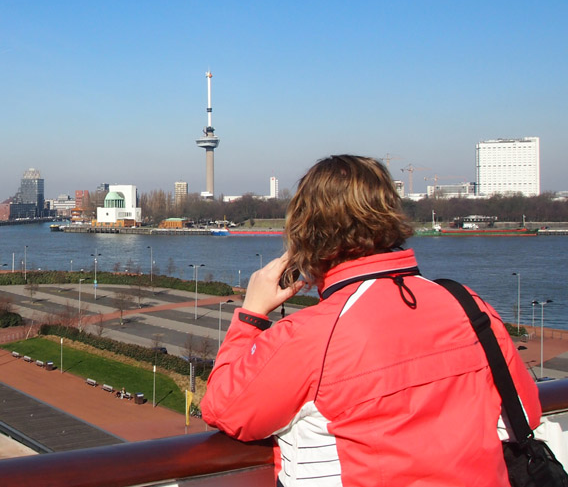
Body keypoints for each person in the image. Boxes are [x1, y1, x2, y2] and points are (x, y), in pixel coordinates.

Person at [201, 155, 540, 486]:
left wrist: (251, 315)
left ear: (306, 234)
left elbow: (223, 408)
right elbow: (526, 412)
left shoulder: (314, 334)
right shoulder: (467, 304)